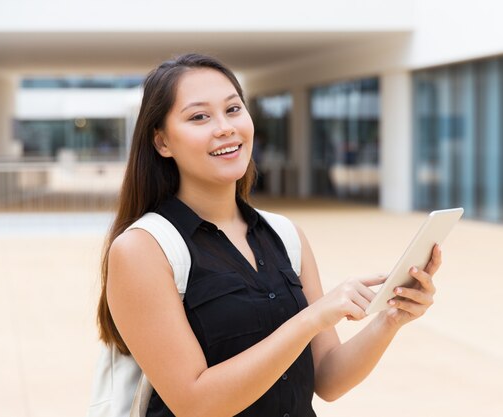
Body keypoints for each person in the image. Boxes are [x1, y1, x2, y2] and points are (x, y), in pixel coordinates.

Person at [96, 53, 442, 417]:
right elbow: (194, 403)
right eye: (199, 116)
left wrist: (392, 317)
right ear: (162, 142)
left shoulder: (286, 235)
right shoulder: (144, 249)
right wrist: (312, 318)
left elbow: (328, 379)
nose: (225, 127)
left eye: (233, 109)